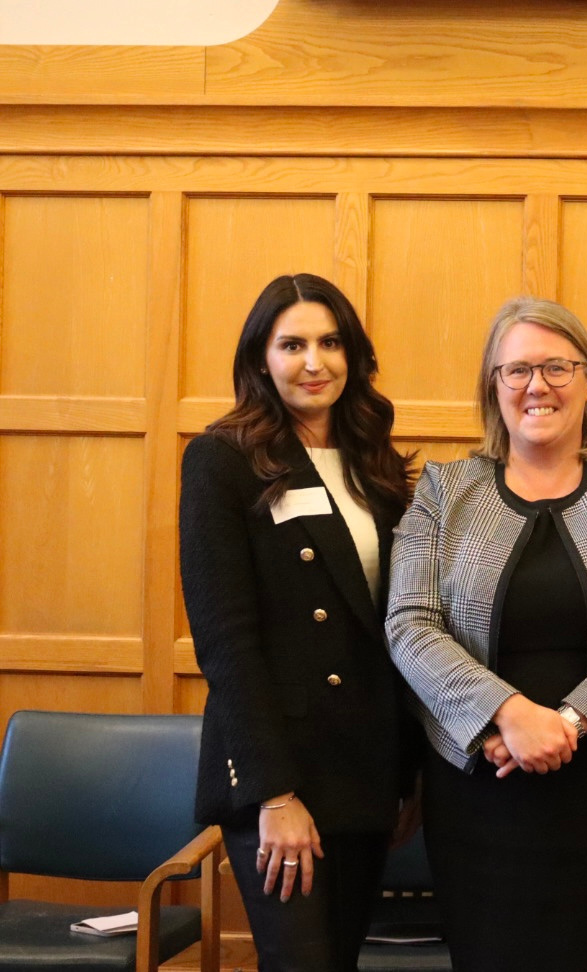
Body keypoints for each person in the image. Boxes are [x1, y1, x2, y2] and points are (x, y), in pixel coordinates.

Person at [385, 296, 587, 972]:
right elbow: (409, 624)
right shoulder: (444, 492)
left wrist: (568, 722)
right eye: (517, 369)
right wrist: (507, 715)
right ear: (492, 387)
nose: (538, 385)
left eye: (558, 366)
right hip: (481, 786)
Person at [179, 273, 419, 971]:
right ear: (260, 358)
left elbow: (397, 629)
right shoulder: (222, 460)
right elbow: (226, 643)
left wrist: (407, 773)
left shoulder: (375, 466)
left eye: (330, 342)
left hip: (366, 767)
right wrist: (272, 794)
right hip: (280, 777)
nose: (314, 362)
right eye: (292, 345)